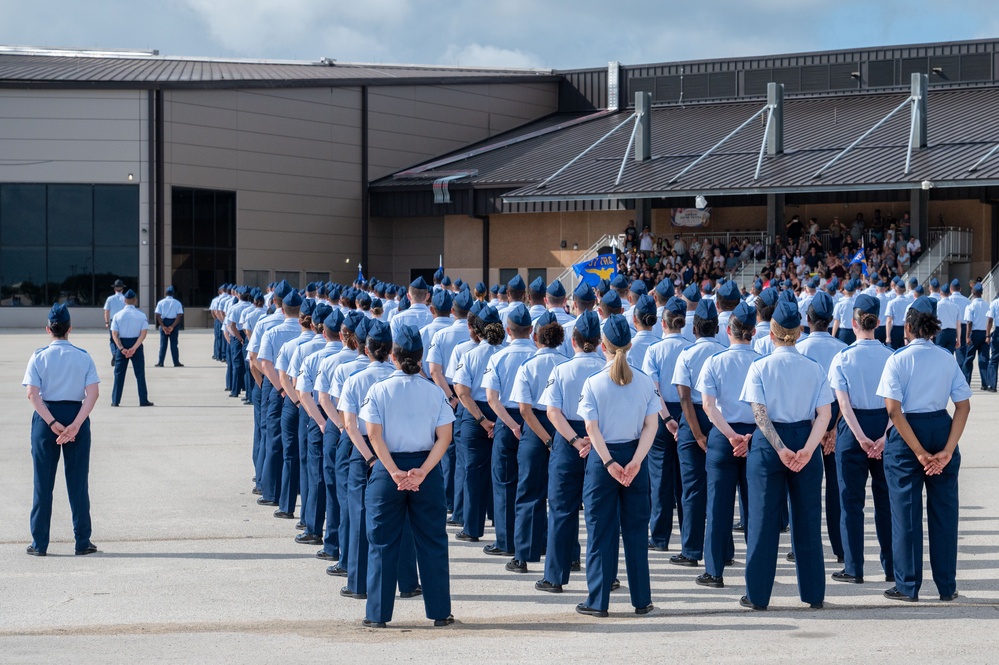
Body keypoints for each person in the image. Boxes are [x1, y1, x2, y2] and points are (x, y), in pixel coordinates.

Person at [359, 324, 455, 628]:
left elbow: (374, 436)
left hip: (389, 469)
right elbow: (445, 437)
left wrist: (393, 472)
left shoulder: (379, 389)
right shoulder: (434, 391)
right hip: (425, 467)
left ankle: (377, 615)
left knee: (382, 543)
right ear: (421, 357)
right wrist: (423, 471)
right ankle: (440, 612)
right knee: (433, 542)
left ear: (393, 355)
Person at [739, 299, 832, 611]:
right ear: (799, 332)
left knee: (762, 521)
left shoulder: (760, 366)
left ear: (772, 334)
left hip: (770, 443)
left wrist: (780, 448)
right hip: (805, 436)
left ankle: (758, 595)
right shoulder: (814, 367)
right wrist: (808, 449)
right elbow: (824, 414)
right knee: (807, 520)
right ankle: (814, 593)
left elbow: (759, 414)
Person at [877, 296, 971, 602]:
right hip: (941, 427)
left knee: (906, 511)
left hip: (908, 434)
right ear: (934, 328)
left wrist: (918, 452)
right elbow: (963, 406)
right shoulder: (946, 358)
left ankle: (908, 585)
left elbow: (894, 411)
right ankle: (946, 585)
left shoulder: (898, 359)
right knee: (945, 513)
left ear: (908, 326)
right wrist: (948, 450)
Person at [574, 314, 659, 618]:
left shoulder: (593, 382)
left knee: (599, 531)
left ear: (603, 345)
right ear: (630, 345)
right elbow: (651, 427)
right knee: (636, 532)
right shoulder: (645, 381)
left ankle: (598, 602)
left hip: (603, 460)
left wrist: (609, 462)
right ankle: (642, 600)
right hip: (635, 456)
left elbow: (591, 428)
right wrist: (635, 461)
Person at [338, 319, 420, 601]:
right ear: (390, 351)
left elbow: (350, 426)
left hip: (364, 452)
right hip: (396, 451)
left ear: (366, 349)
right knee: (404, 516)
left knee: (361, 516)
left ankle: (359, 584)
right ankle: (408, 582)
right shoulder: (401, 378)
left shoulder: (355, 379)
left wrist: (371, 458)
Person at [23, 304, 101, 557]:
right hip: (76, 415)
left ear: (48, 329)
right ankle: (82, 542)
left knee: (42, 484)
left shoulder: (39, 356)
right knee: (78, 483)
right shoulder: (83, 356)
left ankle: (39, 543)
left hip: (46, 419)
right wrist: (76, 424)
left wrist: (51, 423)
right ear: (70, 329)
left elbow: (32, 394)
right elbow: (93, 394)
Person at [535, 310, 604, 593]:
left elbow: (552, 412)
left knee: (562, 509)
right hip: (600, 439)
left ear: (573, 341)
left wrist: (575, 440)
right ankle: (605, 575)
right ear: (600, 341)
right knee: (600, 513)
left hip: (567, 439)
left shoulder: (561, 370)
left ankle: (555, 576)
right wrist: (592, 440)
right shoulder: (608, 369)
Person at [827, 295, 894, 584]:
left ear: (853, 323)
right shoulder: (891, 356)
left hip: (853, 429)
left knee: (851, 502)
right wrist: (883, 435)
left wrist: (860, 437)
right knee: (886, 502)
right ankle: (892, 567)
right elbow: (897, 405)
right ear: (877, 322)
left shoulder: (843, 357)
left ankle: (854, 568)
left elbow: (843, 405)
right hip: (884, 424)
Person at [506, 311, 567, 573]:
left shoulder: (528, 365)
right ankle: (569, 554)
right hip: (563, 427)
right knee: (564, 497)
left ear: (535, 336)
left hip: (535, 429)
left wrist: (545, 439)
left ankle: (524, 555)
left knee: (530, 492)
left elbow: (524, 410)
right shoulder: (566, 363)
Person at [669, 298, 726, 567]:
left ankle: (691, 550)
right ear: (717, 328)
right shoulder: (724, 352)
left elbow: (684, 398)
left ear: (694, 330)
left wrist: (696, 433)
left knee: (692, 489)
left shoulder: (687, 354)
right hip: (720, 419)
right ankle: (723, 550)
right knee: (721, 488)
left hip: (692, 418)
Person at [796, 291, 848, 565]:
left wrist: (819, 427)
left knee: (805, 489)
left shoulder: (799, 347)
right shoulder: (843, 348)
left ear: (808, 319)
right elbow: (845, 396)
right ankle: (840, 547)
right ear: (830, 320)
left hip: (806, 422)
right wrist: (833, 428)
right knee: (836, 489)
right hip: (836, 418)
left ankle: (803, 545)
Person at [483, 303, 537, 558]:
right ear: (531, 330)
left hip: (507, 420)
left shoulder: (498, 357)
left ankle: (506, 541)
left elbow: (492, 399)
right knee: (534, 483)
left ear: (508, 330)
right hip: (536, 420)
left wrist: (512, 425)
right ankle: (536, 539)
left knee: (505, 482)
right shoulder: (539, 355)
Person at [452, 305, 507, 543]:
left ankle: (472, 528)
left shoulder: (470, 355)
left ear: (477, 330)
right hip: (503, 413)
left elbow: (462, 393)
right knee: (503, 472)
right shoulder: (507, 353)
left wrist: (482, 420)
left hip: (475, 416)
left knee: (473, 472)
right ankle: (501, 525)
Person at [641, 295, 688, 553]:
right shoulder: (690, 348)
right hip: (688, 412)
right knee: (686, 479)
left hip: (661, 415)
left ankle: (659, 537)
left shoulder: (654, 349)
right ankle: (688, 537)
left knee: (659, 478)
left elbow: (653, 388)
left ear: (663, 323)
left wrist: (666, 417)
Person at [110, 290, 153, 407]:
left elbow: (114, 335)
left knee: (119, 374)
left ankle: (115, 400)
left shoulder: (117, 315)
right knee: (140, 374)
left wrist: (121, 348)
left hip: (122, 344)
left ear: (124, 301)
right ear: (135, 301)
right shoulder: (141, 315)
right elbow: (143, 334)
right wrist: (134, 348)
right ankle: (143, 400)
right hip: (136, 344)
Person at [962, 282, 989, 387]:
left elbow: (969, 322)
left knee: (969, 358)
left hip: (974, 334)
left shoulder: (970, 306)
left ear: (972, 293)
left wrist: (967, 337)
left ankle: (966, 382)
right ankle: (985, 383)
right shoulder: (987, 305)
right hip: (984, 333)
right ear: (981, 293)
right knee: (984, 359)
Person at [154, 285, 185, 368]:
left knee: (163, 344)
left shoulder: (161, 302)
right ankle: (176, 362)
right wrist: (172, 326)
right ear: (173, 294)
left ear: (166, 293)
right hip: (174, 322)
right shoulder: (177, 303)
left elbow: (158, 315)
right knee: (174, 344)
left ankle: (160, 362)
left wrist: (163, 326)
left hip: (163, 321)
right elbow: (179, 315)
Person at [102, 279, 127, 366]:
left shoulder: (110, 298)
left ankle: (115, 353)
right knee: (121, 339)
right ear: (122, 289)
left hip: (113, 321)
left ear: (114, 289)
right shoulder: (125, 299)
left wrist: (106, 322)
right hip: (123, 321)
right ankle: (119, 355)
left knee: (113, 339)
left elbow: (106, 311)